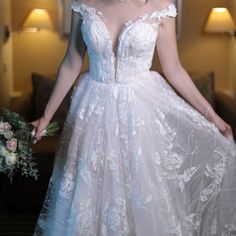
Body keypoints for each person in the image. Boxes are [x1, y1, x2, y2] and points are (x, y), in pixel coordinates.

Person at [32, 0, 236, 235]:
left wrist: (213, 117)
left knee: (143, 193)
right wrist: (46, 116)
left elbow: (174, 69)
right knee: (88, 193)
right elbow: (71, 63)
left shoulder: (162, 7)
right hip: (94, 109)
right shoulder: (83, 4)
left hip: (141, 113)